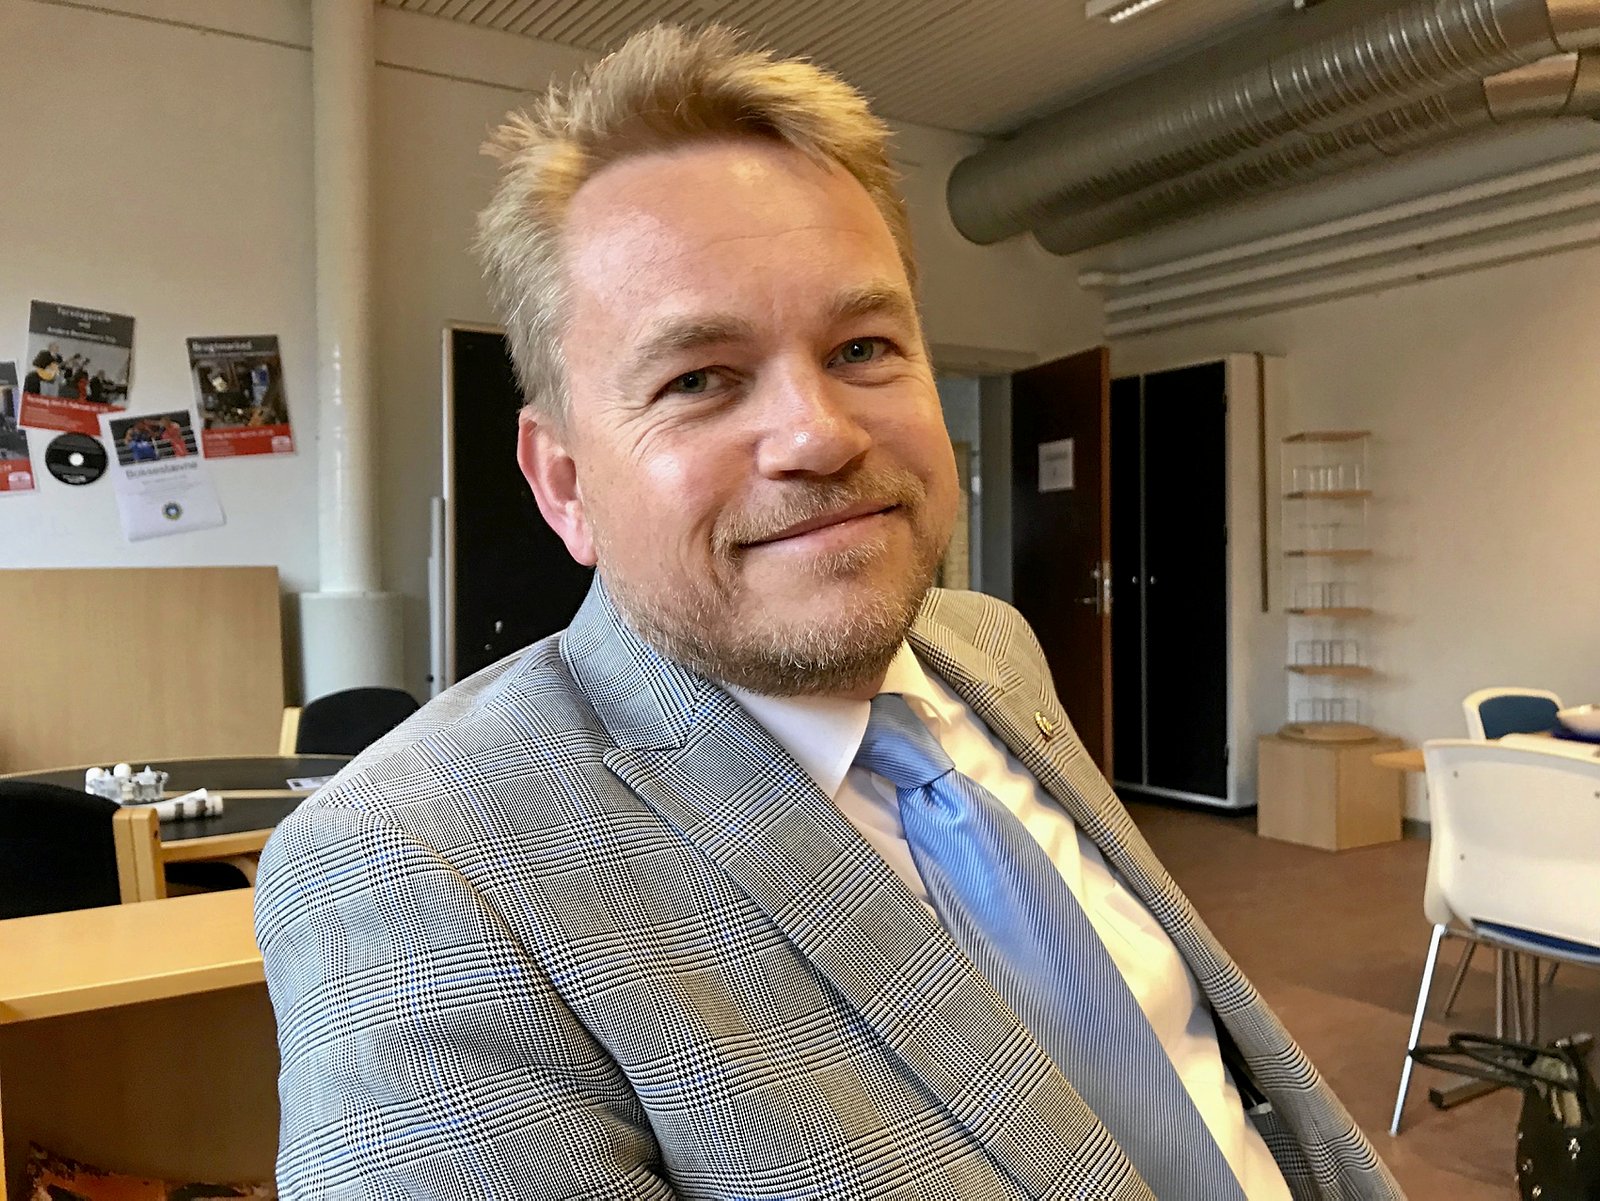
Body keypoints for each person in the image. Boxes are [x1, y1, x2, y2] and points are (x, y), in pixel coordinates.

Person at [255, 25, 1403, 1201]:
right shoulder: (414, 874)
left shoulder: (989, 647)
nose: (817, 433)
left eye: (862, 347)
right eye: (697, 378)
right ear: (563, 484)